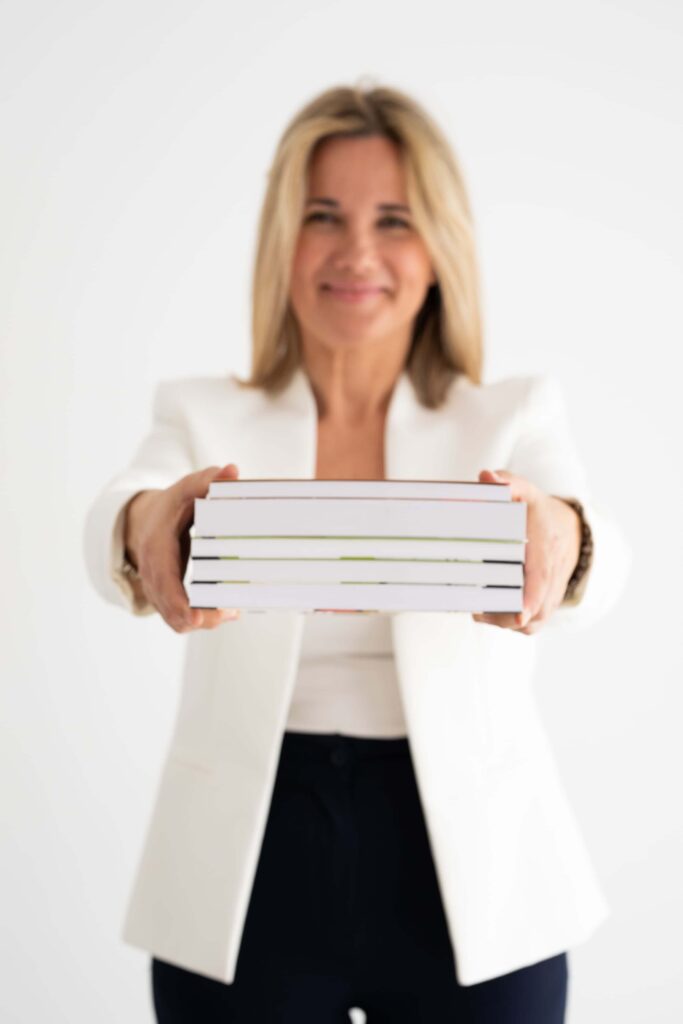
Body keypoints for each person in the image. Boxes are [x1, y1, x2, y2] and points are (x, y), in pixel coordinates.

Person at [84, 82, 631, 1023]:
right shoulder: (200, 414)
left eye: (394, 220)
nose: (356, 253)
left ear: (439, 248)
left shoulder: (511, 415)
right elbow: (119, 513)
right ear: (282, 240)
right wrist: (144, 527)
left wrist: (566, 537)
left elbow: (605, 556)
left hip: (476, 876)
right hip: (246, 869)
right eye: (323, 216)